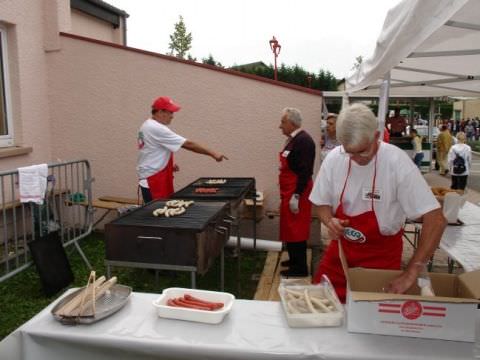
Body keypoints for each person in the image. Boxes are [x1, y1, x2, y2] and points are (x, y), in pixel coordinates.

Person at [309, 103, 446, 303]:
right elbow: (320, 203)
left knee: (373, 317)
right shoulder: (334, 158)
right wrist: (329, 221)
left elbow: (436, 220)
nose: (355, 159)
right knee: (320, 307)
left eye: (362, 152)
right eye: (350, 153)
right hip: (340, 254)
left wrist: (411, 273)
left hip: (381, 259)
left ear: (376, 135)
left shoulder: (396, 162)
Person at [137, 96, 227, 203]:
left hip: (153, 178)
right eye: (170, 112)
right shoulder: (156, 128)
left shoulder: (147, 124)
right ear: (161, 112)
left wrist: (168, 165)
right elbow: (188, 144)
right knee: (158, 218)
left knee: (161, 214)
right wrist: (213, 153)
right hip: (153, 182)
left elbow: (150, 151)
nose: (172, 116)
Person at [278, 107, 316, 277]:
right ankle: (294, 260)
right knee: (289, 227)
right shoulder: (293, 140)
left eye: (283, 122)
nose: (280, 126)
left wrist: (296, 195)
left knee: (297, 228)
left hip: (297, 190)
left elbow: (305, 171)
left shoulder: (304, 141)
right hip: (289, 189)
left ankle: (300, 268)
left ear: (292, 123)